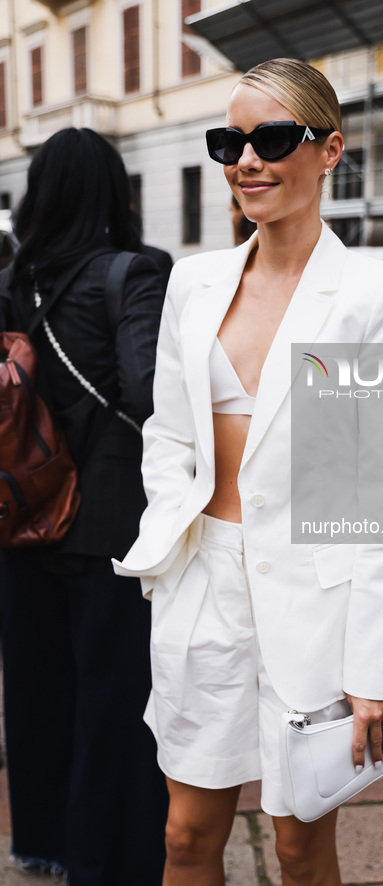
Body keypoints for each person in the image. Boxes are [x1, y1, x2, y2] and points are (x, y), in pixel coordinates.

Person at [114, 58, 383, 886]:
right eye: (231, 141)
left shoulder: (374, 297)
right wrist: (166, 550)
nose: (247, 160)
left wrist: (374, 670)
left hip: (315, 604)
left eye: (273, 138)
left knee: (298, 845)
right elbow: (169, 435)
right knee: (185, 838)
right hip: (203, 588)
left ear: (328, 150)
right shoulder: (194, 282)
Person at [0, 128, 169, 885]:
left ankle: (42, 840)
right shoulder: (133, 273)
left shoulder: (11, 279)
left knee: (36, 690)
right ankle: (109, 858)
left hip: (18, 512)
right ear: (114, 190)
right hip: (108, 525)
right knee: (114, 697)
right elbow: (146, 390)